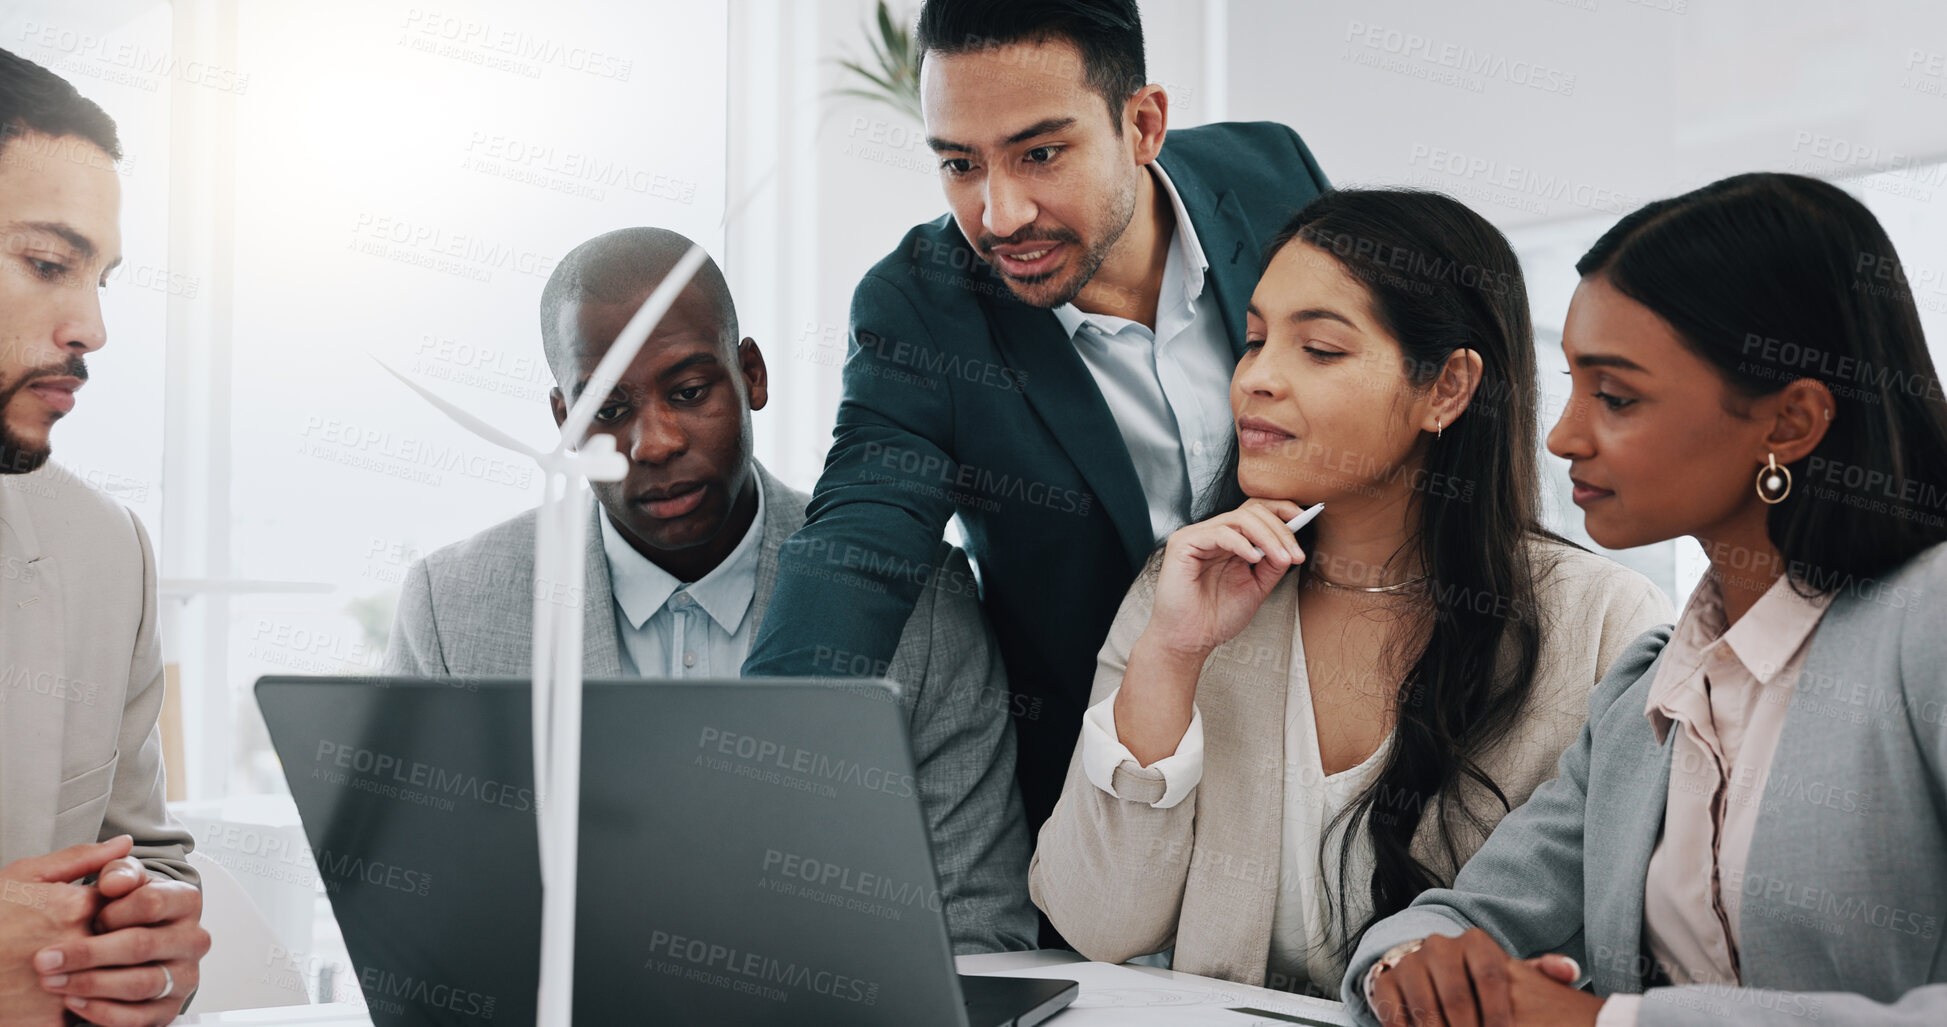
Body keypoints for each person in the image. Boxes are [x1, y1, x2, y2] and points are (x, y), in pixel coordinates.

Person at [1028, 189, 1673, 997]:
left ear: (1447, 387)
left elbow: (1630, 953)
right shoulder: (1186, 585)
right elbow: (1098, 924)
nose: (1256, 380)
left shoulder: (1607, 624)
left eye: (1320, 350)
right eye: (1254, 339)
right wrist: (1170, 655)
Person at [744, 0, 1333, 874]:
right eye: (959, 164)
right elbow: (855, 544)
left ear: (1142, 123)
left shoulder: (1271, 177)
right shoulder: (921, 308)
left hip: (1328, 748)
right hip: (1104, 800)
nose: (1000, 213)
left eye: (1040, 153)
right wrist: (751, 764)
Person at [1345, 172, 1947, 1026]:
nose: (1561, 436)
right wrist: (1413, 970)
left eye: (1617, 396)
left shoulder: (1926, 626)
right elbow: (1456, 918)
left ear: (1790, 422)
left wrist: (1606, 1023)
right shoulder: (1649, 688)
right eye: (1573, 383)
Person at [384, 227, 1037, 953]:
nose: (654, 442)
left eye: (689, 391)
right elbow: (417, 921)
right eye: (607, 409)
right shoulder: (452, 608)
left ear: (751, 374)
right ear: (564, 423)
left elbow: (979, 928)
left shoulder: (921, 602)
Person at [0, 48, 209, 1026]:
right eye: (47, 264)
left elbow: (146, 856)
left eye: (100, 276)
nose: (91, 324)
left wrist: (150, 952)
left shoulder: (104, 549)